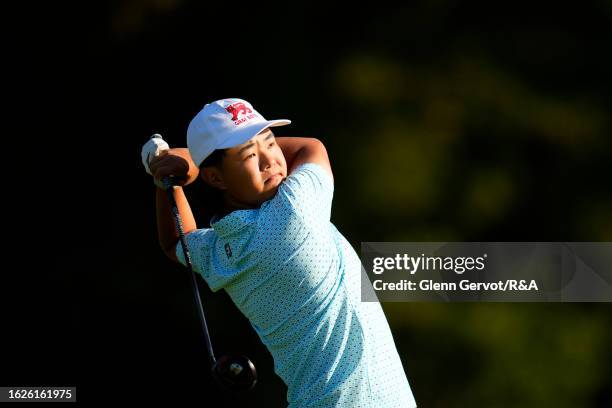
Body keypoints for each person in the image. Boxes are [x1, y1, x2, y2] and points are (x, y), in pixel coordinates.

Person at [141, 98, 417, 407]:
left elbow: (177, 242)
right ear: (215, 178)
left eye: (269, 143)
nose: (269, 160)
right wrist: (192, 159)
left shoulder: (222, 254)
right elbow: (310, 148)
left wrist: (168, 182)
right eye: (249, 154)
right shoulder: (294, 209)